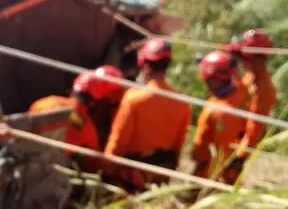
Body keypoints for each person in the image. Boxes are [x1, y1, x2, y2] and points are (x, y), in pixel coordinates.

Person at [104, 39, 192, 190]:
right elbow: (179, 144)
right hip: (161, 176)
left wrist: (106, 171)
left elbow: (118, 142)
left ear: (143, 63)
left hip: (132, 177)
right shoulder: (182, 102)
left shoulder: (134, 99)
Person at [28, 65, 126, 167]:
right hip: (51, 172)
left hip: (21, 162)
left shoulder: (43, 103)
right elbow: (94, 164)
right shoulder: (87, 129)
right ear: (97, 102)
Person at [190, 50, 254, 185]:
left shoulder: (221, 111)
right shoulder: (241, 92)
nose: (207, 83)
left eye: (209, 80)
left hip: (221, 174)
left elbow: (220, 151)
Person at [228, 28, 278, 149]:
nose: (241, 61)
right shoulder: (250, 78)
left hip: (239, 148)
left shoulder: (263, 91)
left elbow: (253, 133)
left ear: (253, 58)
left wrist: (239, 157)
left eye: (242, 57)